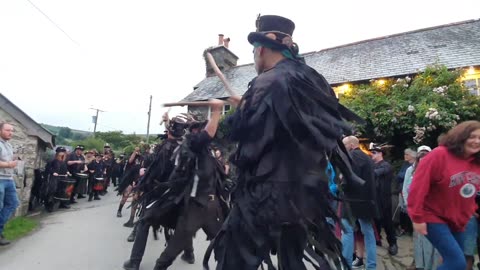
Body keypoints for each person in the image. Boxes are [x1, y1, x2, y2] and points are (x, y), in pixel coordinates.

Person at [206, 15, 362, 270]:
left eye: (254, 51)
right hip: (303, 198)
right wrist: (251, 105)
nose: (255, 56)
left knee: (232, 260)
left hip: (262, 197)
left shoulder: (265, 82)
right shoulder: (315, 80)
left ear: (262, 49)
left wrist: (243, 110)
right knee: (292, 262)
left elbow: (246, 139)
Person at [150, 103, 230, 270]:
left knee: (225, 245)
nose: (202, 129)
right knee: (173, 248)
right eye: (198, 127)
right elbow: (205, 135)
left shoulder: (205, 150)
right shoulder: (193, 145)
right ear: (192, 132)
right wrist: (216, 110)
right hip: (196, 206)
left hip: (212, 206)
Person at [122, 113, 204, 270]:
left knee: (144, 223)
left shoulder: (166, 148)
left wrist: (144, 175)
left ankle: (134, 262)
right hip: (179, 195)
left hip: (162, 194)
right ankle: (189, 253)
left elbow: (157, 172)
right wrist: (168, 122)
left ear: (170, 132)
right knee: (182, 223)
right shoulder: (187, 147)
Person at [408, 120, 480, 270]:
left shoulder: (477, 162)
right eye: (472, 137)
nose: (476, 141)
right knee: (457, 263)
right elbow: (418, 187)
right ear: (461, 136)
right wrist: (416, 217)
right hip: (433, 216)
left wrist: (472, 208)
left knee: (454, 260)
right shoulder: (440, 155)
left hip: (459, 220)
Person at [341, 136, 378, 270]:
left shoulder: (351, 157)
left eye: (344, 145)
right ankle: (371, 266)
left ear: (351, 145)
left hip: (352, 201)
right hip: (367, 201)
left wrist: (341, 183)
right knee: (368, 233)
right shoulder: (368, 157)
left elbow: (350, 179)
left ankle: (345, 265)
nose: (342, 148)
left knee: (347, 231)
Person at [403, 145, 440, 270]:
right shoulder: (411, 172)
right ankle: (419, 264)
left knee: (432, 244)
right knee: (419, 241)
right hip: (418, 213)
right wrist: (411, 209)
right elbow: (407, 191)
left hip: (432, 214)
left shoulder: (436, 172)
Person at [370, 145, 398, 255]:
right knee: (374, 221)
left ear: (380, 153)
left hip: (384, 199)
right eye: (371, 152)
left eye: (374, 152)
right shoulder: (372, 165)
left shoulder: (386, 166)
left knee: (387, 222)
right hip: (373, 198)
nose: (372, 154)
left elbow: (376, 173)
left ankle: (393, 243)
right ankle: (377, 239)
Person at [0, 123, 19, 246]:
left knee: (13, 203)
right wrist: (9, 164)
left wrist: (14, 160)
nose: (10, 133)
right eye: (7, 130)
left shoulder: (8, 145)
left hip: (9, 179)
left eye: (12, 130)